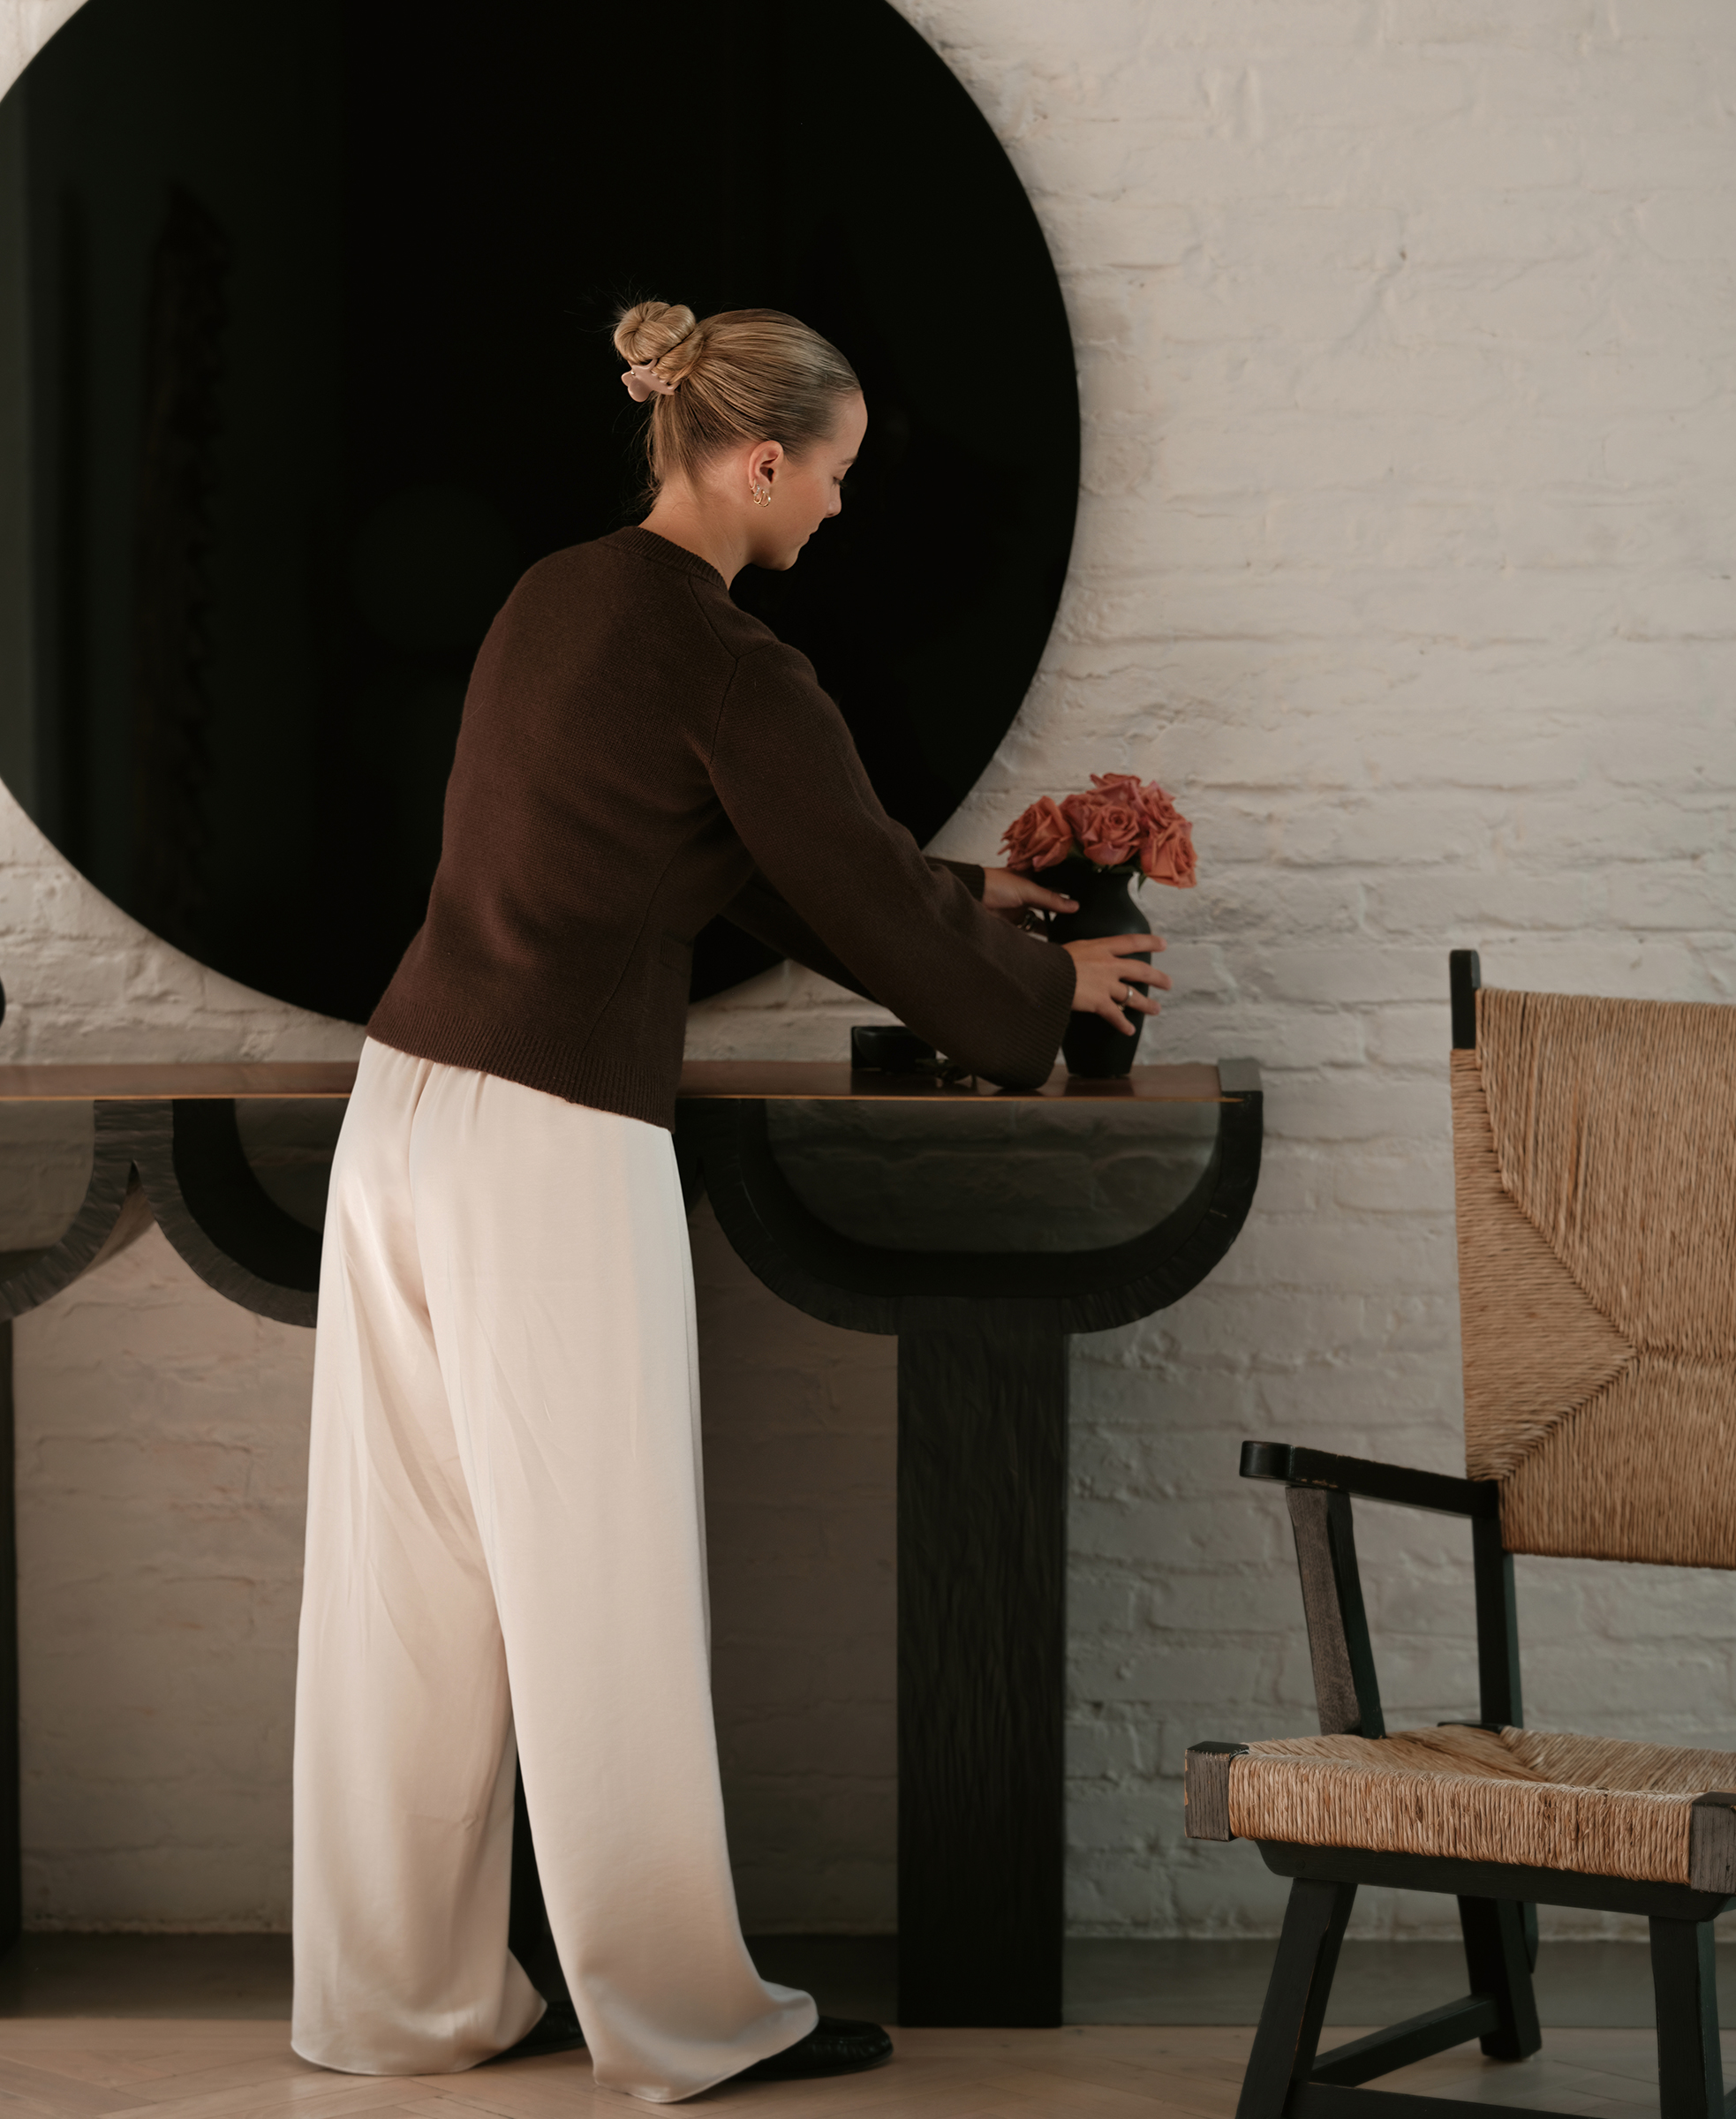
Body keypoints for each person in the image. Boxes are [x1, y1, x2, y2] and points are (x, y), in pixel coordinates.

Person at [289, 299, 1170, 2102]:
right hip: (544, 1139)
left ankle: (400, 2007)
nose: (838, 512)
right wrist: (1046, 995)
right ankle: (684, 2027)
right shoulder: (728, 656)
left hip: (402, 1116)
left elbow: (738, 856)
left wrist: (958, 908)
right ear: (761, 461)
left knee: (411, 1595)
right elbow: (828, 877)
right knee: (596, 1583)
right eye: (832, 478)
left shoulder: (557, 596)